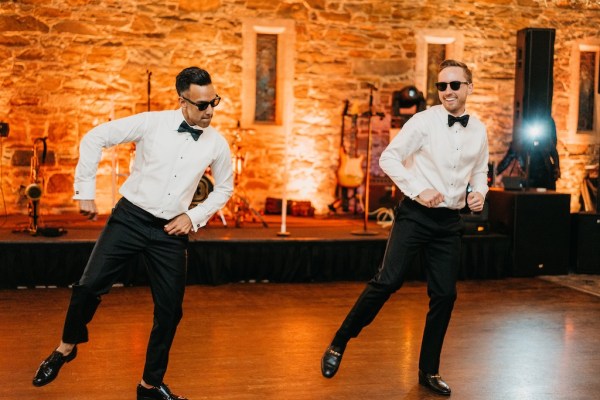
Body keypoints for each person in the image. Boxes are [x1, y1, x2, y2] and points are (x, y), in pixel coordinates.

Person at [32, 67, 234, 400]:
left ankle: (150, 386)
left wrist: (194, 217)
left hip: (170, 231)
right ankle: (66, 348)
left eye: (214, 102)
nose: (210, 111)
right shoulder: (151, 123)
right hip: (130, 219)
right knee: (88, 287)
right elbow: (95, 136)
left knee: (170, 311)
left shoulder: (217, 143)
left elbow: (224, 188)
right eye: (201, 105)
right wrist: (84, 191)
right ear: (182, 100)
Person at [321, 60, 489, 396]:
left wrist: (480, 193)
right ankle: (339, 341)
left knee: (445, 294)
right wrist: (418, 189)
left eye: (455, 85)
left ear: (469, 87)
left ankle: (429, 371)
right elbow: (388, 158)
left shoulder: (479, 129)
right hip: (415, 214)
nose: (448, 92)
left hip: (450, 222)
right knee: (388, 281)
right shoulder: (423, 122)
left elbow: (480, 170)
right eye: (442, 86)